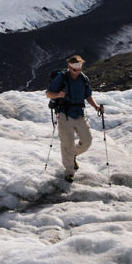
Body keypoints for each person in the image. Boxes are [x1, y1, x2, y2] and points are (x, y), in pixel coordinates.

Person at [46, 54, 104, 183]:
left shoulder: (83, 79)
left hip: (79, 113)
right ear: (69, 67)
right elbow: (48, 94)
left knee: (87, 141)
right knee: (67, 144)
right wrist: (58, 95)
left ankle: (73, 156)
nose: (77, 72)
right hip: (64, 115)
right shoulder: (61, 78)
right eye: (74, 70)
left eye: (79, 69)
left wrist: (96, 107)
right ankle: (69, 172)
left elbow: (88, 96)